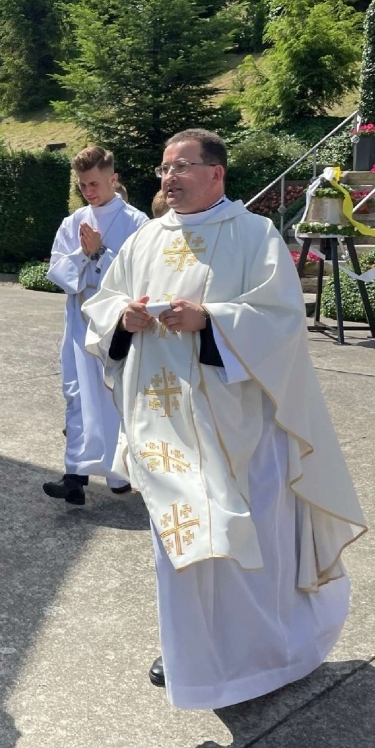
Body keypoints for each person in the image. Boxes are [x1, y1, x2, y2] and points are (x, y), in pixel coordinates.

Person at [83, 128, 366, 709]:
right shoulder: (145, 239)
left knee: (246, 548)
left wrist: (209, 320)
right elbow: (104, 303)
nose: (170, 178)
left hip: (242, 429)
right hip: (164, 424)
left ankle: (267, 655)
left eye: (182, 167)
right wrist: (123, 319)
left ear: (216, 173)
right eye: (165, 168)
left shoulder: (254, 235)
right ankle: (192, 655)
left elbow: (281, 320)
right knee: (179, 541)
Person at [44, 146, 148, 505]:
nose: (88, 191)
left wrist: (101, 254)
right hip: (80, 320)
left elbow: (140, 276)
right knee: (77, 394)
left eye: (94, 184)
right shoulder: (73, 222)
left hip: (117, 326)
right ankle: (74, 476)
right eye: (82, 185)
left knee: (114, 396)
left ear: (113, 179)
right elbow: (57, 272)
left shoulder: (136, 222)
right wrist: (83, 254)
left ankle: (120, 473)